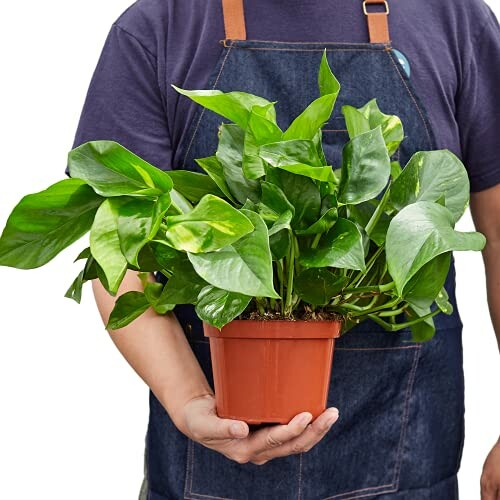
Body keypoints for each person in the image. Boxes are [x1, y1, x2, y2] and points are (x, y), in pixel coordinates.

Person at [66, 0, 500, 498]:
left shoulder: (451, 18)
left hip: (402, 458)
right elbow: (119, 255)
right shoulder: (162, 24)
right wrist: (188, 400)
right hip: (210, 464)